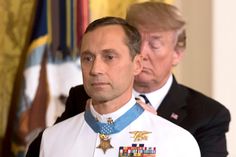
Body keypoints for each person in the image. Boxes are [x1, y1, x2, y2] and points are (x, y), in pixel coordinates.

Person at [27, 2, 231, 157]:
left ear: (177, 53)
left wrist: (141, 123)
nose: (97, 69)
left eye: (155, 44)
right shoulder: (78, 100)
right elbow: (54, 145)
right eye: (88, 58)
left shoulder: (196, 125)